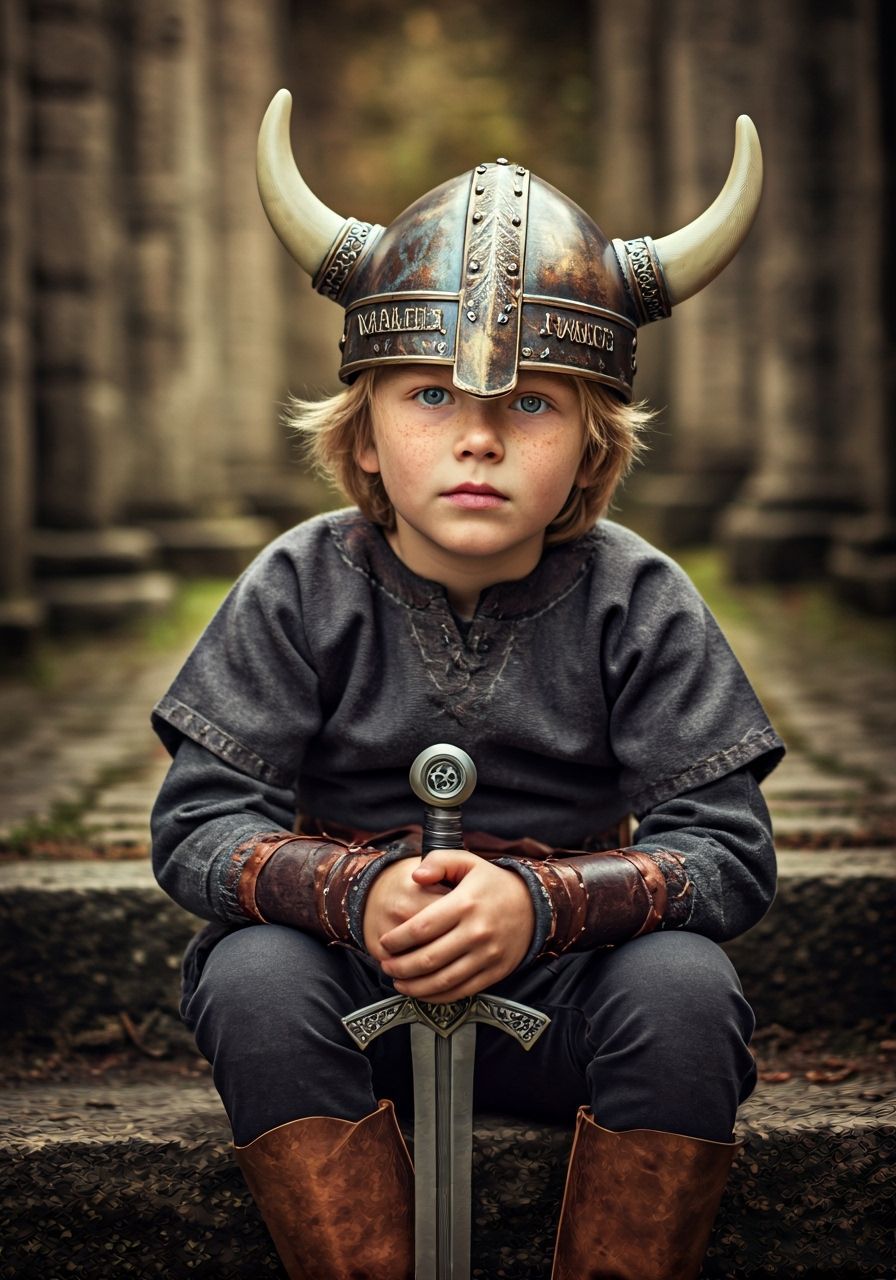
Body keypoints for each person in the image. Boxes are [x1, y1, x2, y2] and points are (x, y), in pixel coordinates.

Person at [150, 89, 782, 1280]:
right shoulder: (296, 582)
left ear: (592, 443)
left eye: (528, 403)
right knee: (251, 972)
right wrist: (356, 893)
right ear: (365, 425)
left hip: (574, 996)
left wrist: (538, 908)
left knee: (687, 988)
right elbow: (197, 829)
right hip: (350, 993)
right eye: (430, 393)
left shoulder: (637, 598)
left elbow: (727, 854)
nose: (478, 438)